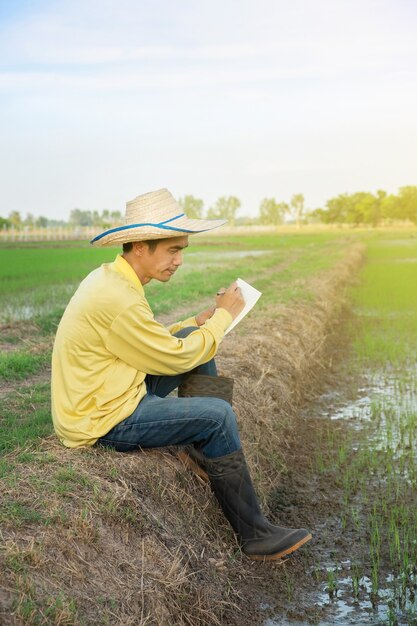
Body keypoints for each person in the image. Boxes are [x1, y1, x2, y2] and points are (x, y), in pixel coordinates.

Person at [51, 188, 312, 561]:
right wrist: (222, 319)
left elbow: (151, 342)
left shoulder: (113, 279)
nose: (179, 261)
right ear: (140, 246)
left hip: (109, 392)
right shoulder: (119, 297)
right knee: (217, 415)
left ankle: (200, 449)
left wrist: (199, 322)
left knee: (193, 336)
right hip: (102, 420)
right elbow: (172, 359)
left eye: (182, 251)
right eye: (173, 250)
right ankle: (254, 535)